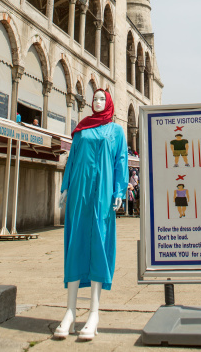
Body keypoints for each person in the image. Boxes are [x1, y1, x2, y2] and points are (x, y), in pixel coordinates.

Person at [54, 89, 128, 339]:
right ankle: (70, 311)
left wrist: (119, 190)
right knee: (75, 244)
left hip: (103, 194)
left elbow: (120, 161)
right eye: (94, 98)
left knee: (98, 242)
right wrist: (65, 187)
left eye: (101, 99)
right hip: (79, 193)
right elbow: (72, 160)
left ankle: (94, 312)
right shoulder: (81, 130)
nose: (96, 102)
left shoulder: (116, 132)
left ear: (108, 103)